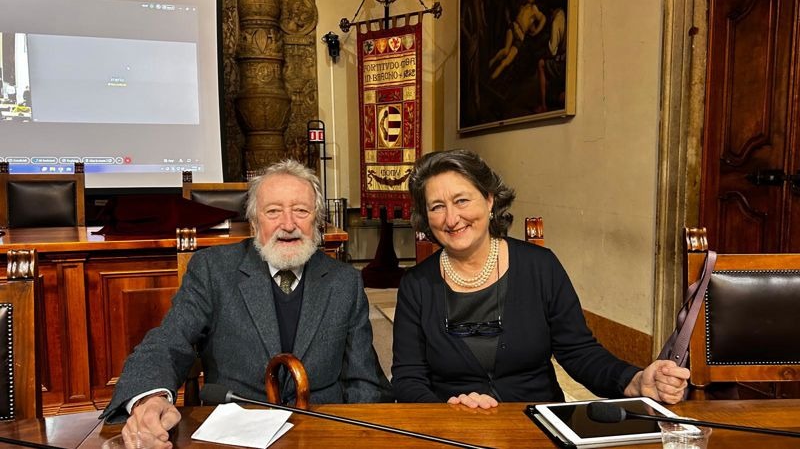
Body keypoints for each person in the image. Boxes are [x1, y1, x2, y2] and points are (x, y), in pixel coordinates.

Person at [101, 160, 392, 446]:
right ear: (254, 222)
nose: (288, 224)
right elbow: (169, 340)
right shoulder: (213, 270)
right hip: (236, 433)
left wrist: (359, 438)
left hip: (322, 431)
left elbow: (362, 379)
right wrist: (149, 398)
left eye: (301, 211)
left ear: (316, 221)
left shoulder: (345, 281)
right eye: (273, 211)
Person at [392, 149, 690, 409]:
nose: (451, 218)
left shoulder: (540, 267)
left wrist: (635, 381)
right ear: (426, 218)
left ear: (489, 200)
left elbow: (579, 352)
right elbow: (408, 379)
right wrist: (446, 411)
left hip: (537, 423)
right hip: (454, 429)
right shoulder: (416, 284)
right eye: (437, 207)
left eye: (461, 200)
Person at [488, 0, 547, 80]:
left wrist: (536, 31)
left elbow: (543, 19)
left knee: (506, 62)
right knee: (505, 51)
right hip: (514, 27)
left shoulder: (534, 8)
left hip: (520, 37)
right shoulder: (523, 6)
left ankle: (491, 78)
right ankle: (491, 62)